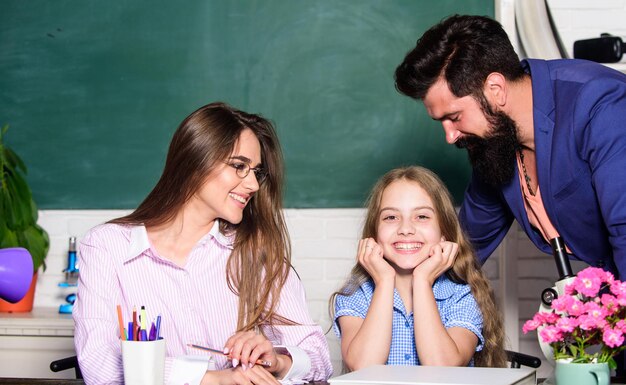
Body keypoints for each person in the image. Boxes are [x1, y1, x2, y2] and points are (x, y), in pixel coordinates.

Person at [73, 102, 333, 385]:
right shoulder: (106, 247)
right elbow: (99, 364)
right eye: (238, 166)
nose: (254, 186)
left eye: (256, 171)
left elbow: (318, 356)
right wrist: (212, 379)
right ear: (197, 159)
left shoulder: (254, 252)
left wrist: (277, 359)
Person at [394, 14, 626, 280]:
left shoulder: (603, 106)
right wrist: (399, 294)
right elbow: (465, 247)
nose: (450, 136)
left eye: (454, 117)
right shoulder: (496, 141)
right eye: (441, 121)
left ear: (495, 89)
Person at [330, 166, 506, 371]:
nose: (405, 229)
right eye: (391, 217)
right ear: (375, 233)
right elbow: (362, 366)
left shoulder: (462, 295)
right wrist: (384, 280)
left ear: (444, 232)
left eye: (422, 216)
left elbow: (442, 367)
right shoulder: (357, 294)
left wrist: (422, 280)